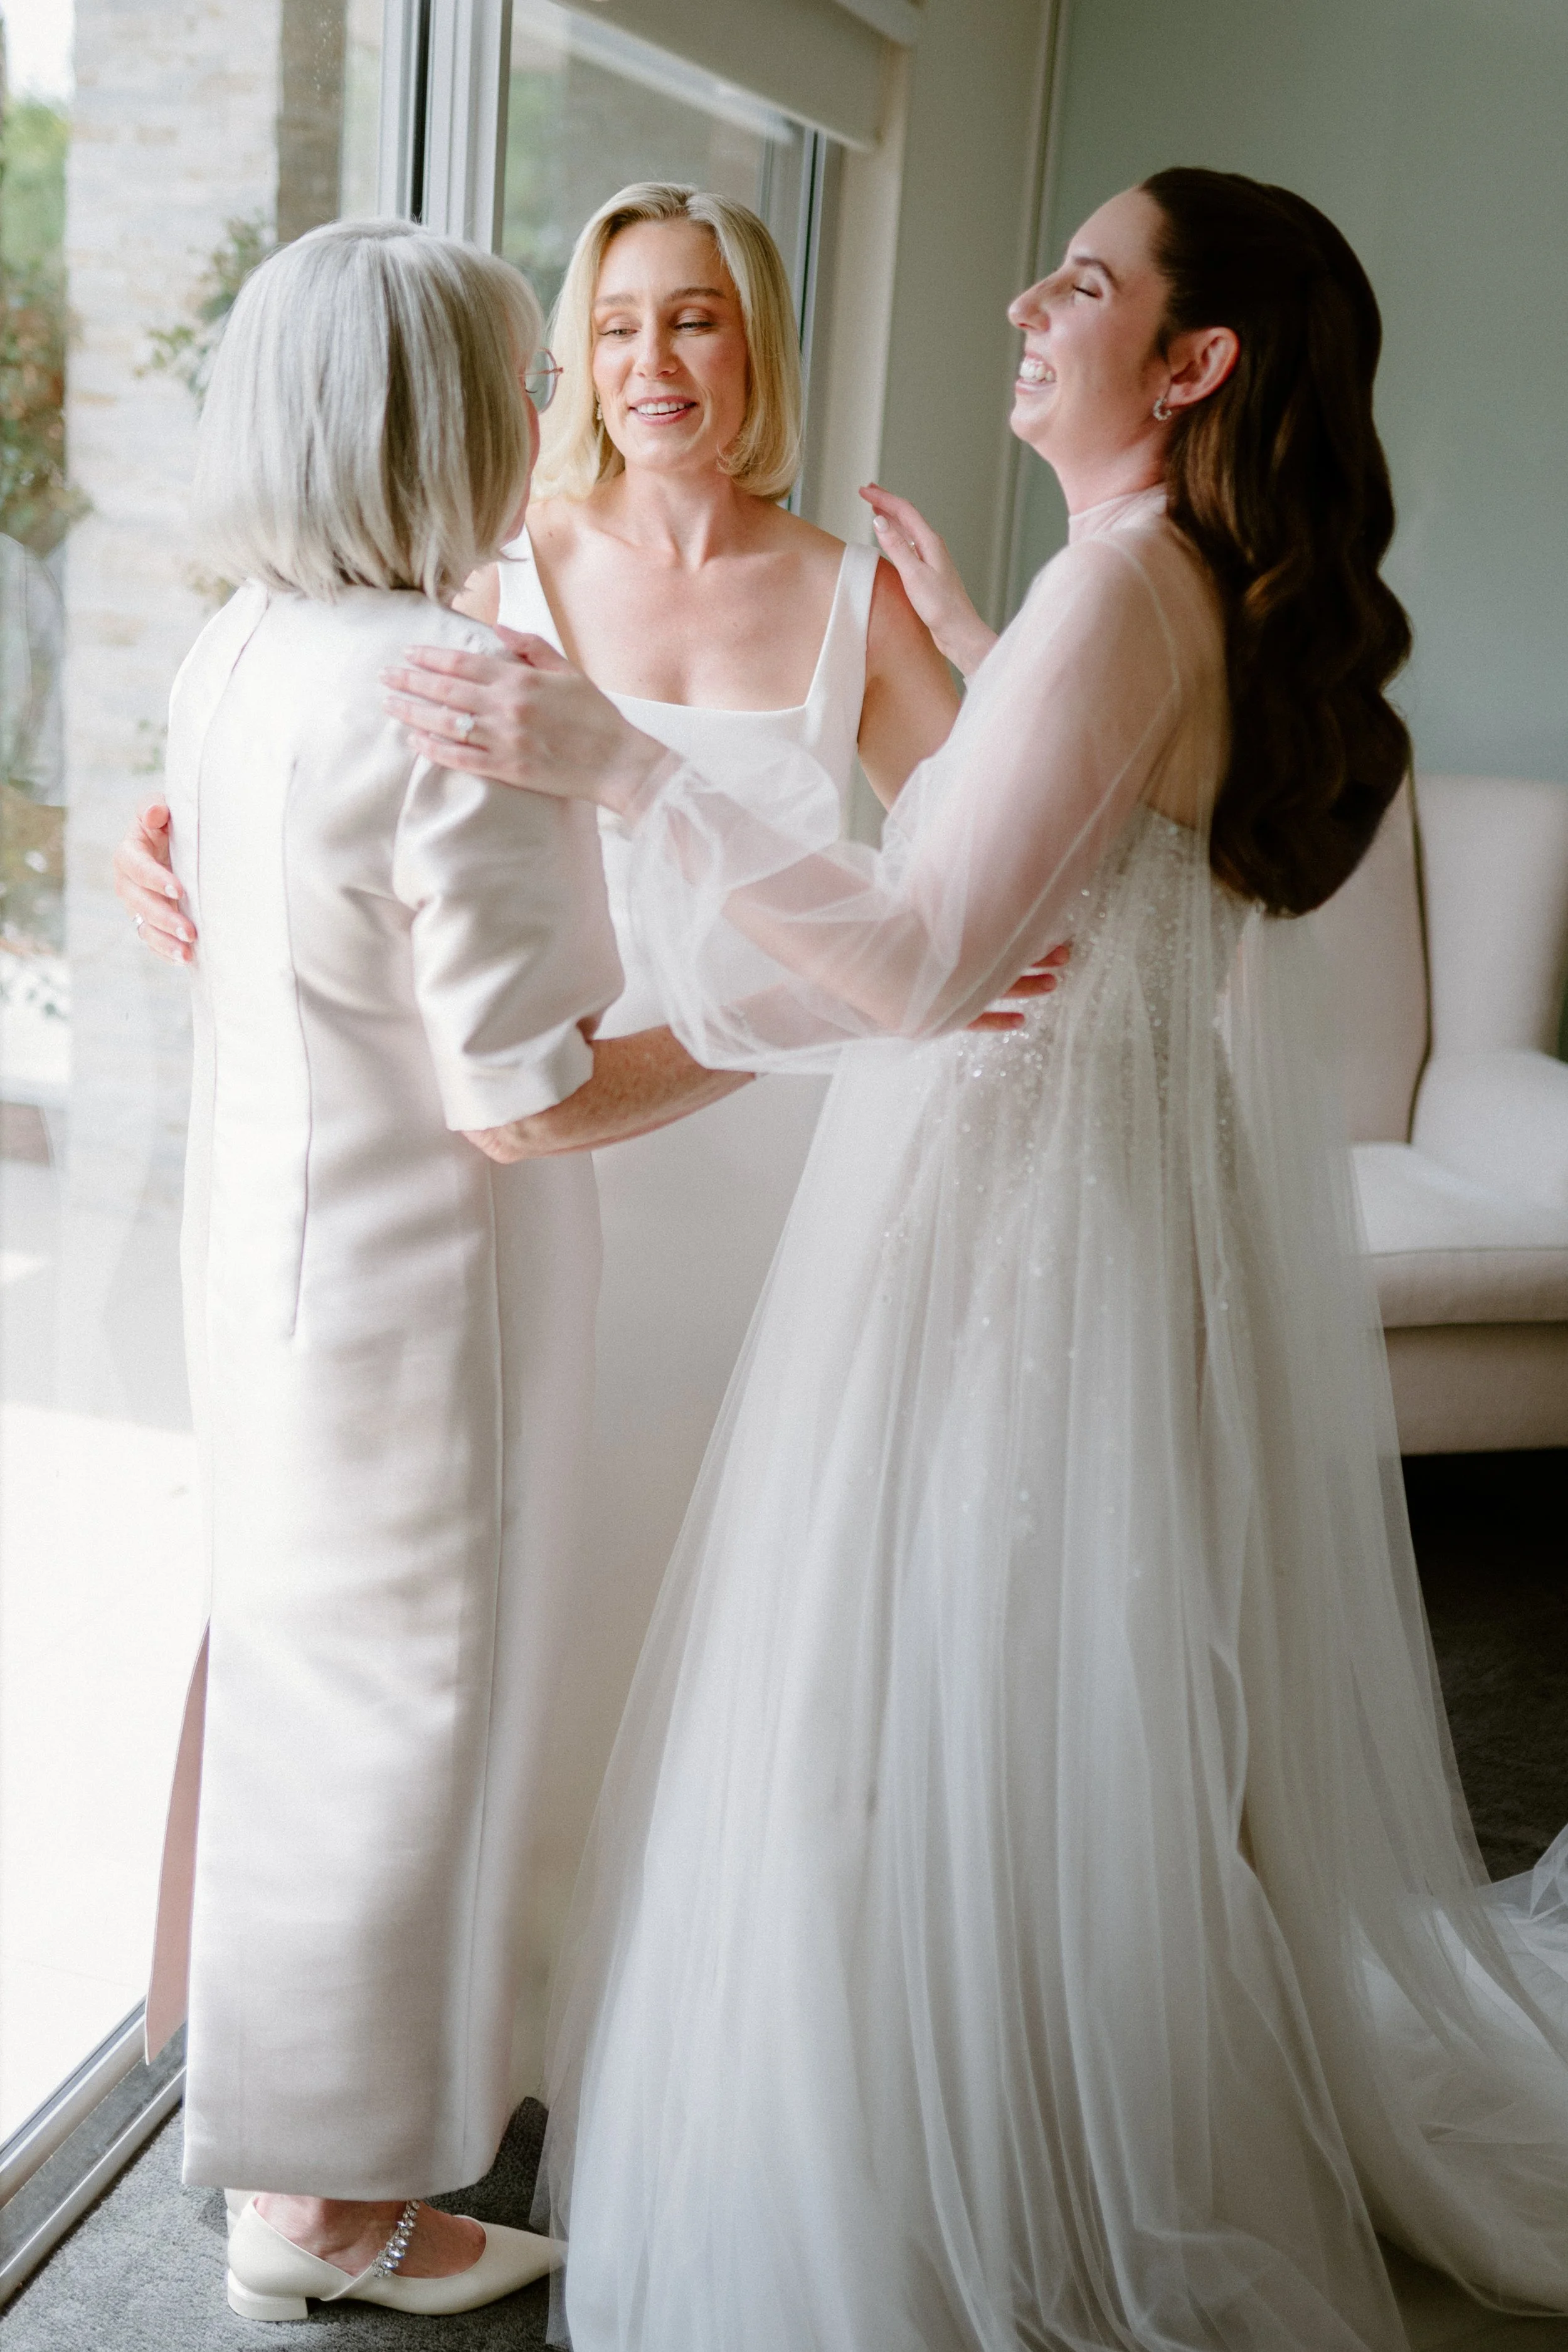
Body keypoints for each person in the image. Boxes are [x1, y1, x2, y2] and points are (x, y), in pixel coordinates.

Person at [402, 171, 1568, 2349]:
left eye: (1087, 282)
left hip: (1005, 1218)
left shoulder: (1127, 594)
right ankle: (1005, 2105)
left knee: (902, 1691)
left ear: (1193, 363)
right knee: (1009, 1699)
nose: (1031, 304)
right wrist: (978, 647)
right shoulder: (1126, 587)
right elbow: (1021, 872)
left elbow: (926, 962)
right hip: (1067, 1196)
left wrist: (623, 762)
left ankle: (932, 2177)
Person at [114, 186, 1047, 1949]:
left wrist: (993, 709)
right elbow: (328, 778)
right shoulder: (487, 572)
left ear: (755, 340)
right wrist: (171, 843)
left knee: (722, 1563)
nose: (650, 361)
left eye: (693, 317)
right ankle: (495, 1980)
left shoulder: (850, 598)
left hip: (763, 1149)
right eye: (614, 323)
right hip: (531, 1137)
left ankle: (684, 1974)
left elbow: (969, 860)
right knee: (524, 1577)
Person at [146, 218, 653, 2324]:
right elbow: (526, 1093)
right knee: (402, 1728)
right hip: (420, 1284)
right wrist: (788, 1025)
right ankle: (335, 2207)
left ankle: (288, 2147)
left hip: (263, 1244)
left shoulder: (235, 650)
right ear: (438, 419)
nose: (547, 419)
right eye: (527, 381)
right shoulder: (453, 695)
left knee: (308, 1703)